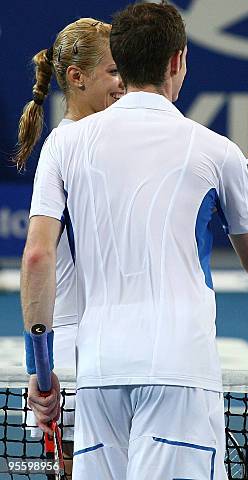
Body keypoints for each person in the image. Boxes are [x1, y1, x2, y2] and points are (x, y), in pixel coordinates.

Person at [21, 3, 248, 479]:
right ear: (177, 61)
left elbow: (36, 256)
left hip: (98, 371)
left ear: (124, 60)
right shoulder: (215, 149)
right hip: (179, 368)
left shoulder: (64, 144)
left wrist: (42, 368)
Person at [15, 18, 125, 477]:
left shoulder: (72, 144)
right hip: (81, 366)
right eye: (114, 71)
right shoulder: (75, 145)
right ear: (76, 78)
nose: (124, 83)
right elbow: (38, 258)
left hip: (79, 364)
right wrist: (41, 370)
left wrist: (38, 368)